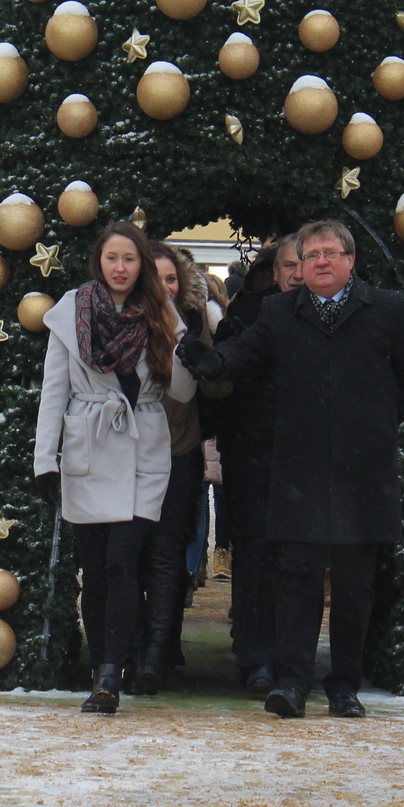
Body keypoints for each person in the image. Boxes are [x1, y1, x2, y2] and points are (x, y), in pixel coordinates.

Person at [182, 220, 404, 718]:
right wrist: (213, 362)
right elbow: (247, 351)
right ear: (299, 266)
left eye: (331, 252)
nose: (321, 261)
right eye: (312, 255)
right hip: (298, 470)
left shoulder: (385, 309)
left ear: (350, 260)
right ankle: (293, 681)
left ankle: (344, 684)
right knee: (296, 579)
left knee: (352, 585)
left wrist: (381, 419)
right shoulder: (281, 311)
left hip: (361, 472)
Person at [34, 220, 192, 714]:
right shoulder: (69, 313)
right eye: (112, 258)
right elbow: (53, 393)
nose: (120, 267)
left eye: (129, 258)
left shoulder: (161, 314)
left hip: (144, 450)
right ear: (98, 262)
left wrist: (191, 357)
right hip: (89, 447)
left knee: (124, 563)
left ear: (141, 262)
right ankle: (103, 661)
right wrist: (45, 461)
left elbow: (182, 392)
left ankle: (109, 675)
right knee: (96, 572)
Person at [211, 238, 300, 697]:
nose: (300, 272)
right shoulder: (251, 317)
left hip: (306, 459)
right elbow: (231, 372)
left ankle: (287, 659)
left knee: (295, 564)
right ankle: (257, 657)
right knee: (257, 559)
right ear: (272, 274)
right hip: (254, 454)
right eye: (290, 265)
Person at [133, 242, 224, 693]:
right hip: (127, 456)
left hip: (178, 450)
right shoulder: (120, 323)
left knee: (167, 554)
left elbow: (205, 390)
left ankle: (157, 652)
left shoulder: (195, 327)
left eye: (170, 279)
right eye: (155, 278)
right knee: (130, 555)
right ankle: (141, 643)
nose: (163, 287)